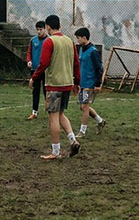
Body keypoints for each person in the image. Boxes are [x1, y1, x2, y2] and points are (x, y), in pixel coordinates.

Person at [30, 14, 82, 159]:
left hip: (54, 85)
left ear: (47, 27)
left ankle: (55, 152)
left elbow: (44, 63)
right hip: (67, 83)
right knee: (61, 115)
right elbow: (76, 63)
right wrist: (77, 82)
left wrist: (34, 78)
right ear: (59, 25)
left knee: (53, 117)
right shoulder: (69, 41)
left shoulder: (49, 41)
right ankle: (73, 140)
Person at [73, 27, 107, 137]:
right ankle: (100, 121)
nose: (77, 40)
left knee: (84, 107)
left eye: (78, 38)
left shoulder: (93, 52)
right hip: (83, 83)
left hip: (89, 84)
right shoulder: (82, 49)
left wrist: (98, 84)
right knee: (83, 107)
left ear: (84, 37)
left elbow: (99, 69)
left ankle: (82, 131)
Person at [25, 20, 47, 120]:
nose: (39, 32)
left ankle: (51, 111)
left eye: (41, 29)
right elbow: (29, 52)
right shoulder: (33, 40)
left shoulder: (49, 40)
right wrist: (29, 60)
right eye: (37, 30)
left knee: (47, 91)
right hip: (35, 70)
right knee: (35, 91)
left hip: (46, 70)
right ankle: (34, 112)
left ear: (45, 29)